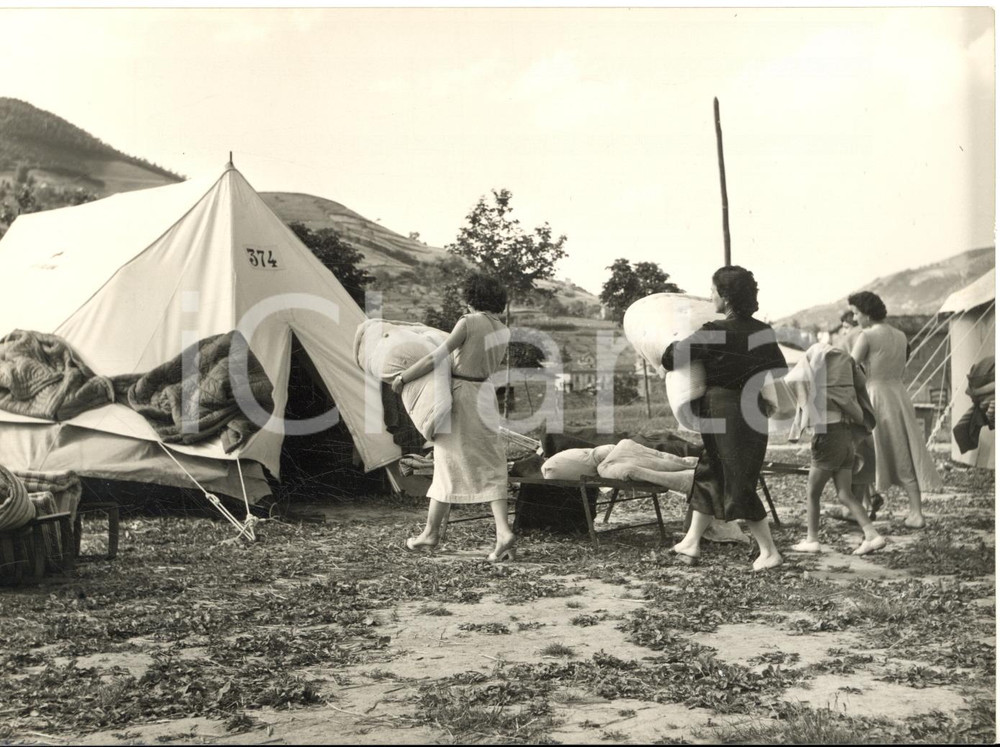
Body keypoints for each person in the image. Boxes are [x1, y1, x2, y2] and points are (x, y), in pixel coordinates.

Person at [661, 265, 785, 571]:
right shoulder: (762, 331)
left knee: (736, 478)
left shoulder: (715, 330)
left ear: (725, 296)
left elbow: (671, 358)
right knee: (712, 471)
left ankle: (769, 551)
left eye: (713, 290)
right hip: (752, 408)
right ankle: (691, 543)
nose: (710, 296)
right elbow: (775, 366)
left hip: (723, 408)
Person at [391, 273, 515, 561]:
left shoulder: (468, 322)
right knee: (490, 462)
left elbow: (436, 357)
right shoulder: (503, 329)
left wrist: (403, 378)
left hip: (461, 395)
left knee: (446, 460)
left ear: (472, 297)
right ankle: (500, 531)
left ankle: (431, 534)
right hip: (485, 394)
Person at [847, 291, 943, 528]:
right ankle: (916, 512)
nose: (855, 318)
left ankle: (859, 507)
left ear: (867, 314)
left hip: (875, 395)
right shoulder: (900, 336)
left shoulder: (866, 336)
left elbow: (849, 368)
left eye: (857, 313)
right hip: (899, 395)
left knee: (865, 449)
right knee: (903, 450)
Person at [785, 342, 886, 556]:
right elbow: (861, 380)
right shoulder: (845, 387)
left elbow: (793, 379)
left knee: (813, 492)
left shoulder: (822, 386)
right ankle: (872, 535)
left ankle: (812, 539)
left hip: (828, 435)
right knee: (845, 493)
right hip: (847, 434)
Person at [833, 308, 884, 521]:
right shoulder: (875, 334)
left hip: (852, 395)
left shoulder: (852, 337)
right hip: (871, 392)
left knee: (855, 454)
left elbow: (842, 366)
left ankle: (854, 507)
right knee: (865, 450)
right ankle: (865, 499)